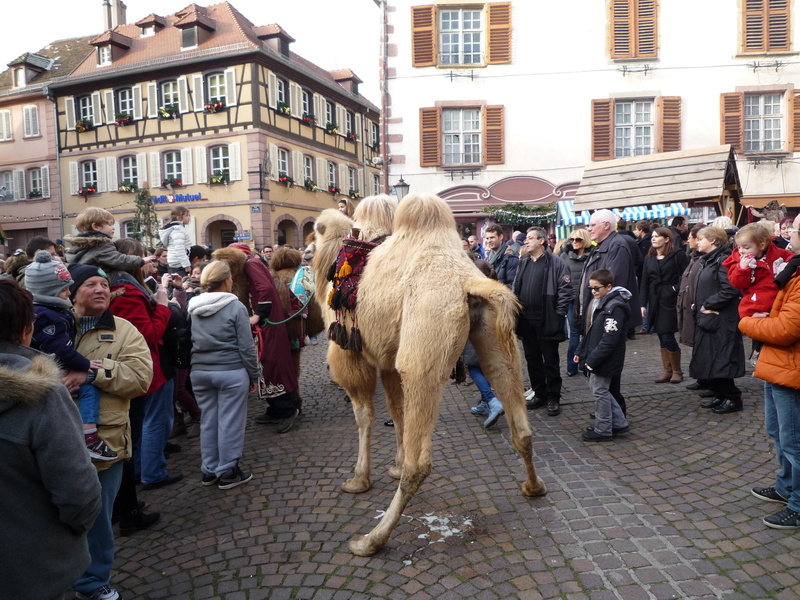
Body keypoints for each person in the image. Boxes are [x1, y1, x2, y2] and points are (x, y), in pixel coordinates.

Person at [0, 279, 102, 600]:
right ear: (26, 330)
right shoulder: (43, 394)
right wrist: (70, 533)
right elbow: (78, 492)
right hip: (32, 564)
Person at [65, 263, 153, 600]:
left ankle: (92, 581)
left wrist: (93, 373)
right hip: (55, 436)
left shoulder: (124, 330)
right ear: (72, 292)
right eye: (90, 284)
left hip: (105, 439)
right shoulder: (53, 326)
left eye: (104, 284)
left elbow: (141, 379)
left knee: (99, 515)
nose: (101, 289)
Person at [739, 214, 800, 530]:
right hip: (777, 363)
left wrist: (747, 322)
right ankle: (786, 486)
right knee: (778, 432)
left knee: (794, 441)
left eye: (793, 229)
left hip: (791, 367)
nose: (786, 233)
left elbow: (786, 329)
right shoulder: (793, 267)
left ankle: (798, 504)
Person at [25, 250, 117, 461]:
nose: (68, 293)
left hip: (49, 370)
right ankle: (89, 437)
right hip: (52, 371)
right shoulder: (49, 317)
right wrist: (84, 365)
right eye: (65, 290)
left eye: (104, 285)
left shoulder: (47, 312)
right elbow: (58, 348)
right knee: (89, 391)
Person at [107, 239, 179, 490]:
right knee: (156, 420)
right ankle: (152, 472)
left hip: (138, 365)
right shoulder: (127, 292)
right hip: (149, 366)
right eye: (143, 257)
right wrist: (163, 305)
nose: (148, 262)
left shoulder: (120, 286)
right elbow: (147, 335)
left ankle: (140, 469)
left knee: (143, 421)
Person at [187, 261, 259, 489]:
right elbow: (246, 347)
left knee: (209, 421)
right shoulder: (235, 306)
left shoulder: (192, 306)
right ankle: (228, 471)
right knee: (230, 422)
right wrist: (254, 375)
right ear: (228, 280)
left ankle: (209, 469)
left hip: (200, 371)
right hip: (230, 370)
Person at [213, 244, 299, 433]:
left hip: (268, 323)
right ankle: (275, 409)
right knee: (264, 365)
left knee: (273, 363)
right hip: (264, 324)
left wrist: (258, 315)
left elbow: (266, 289)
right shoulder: (248, 268)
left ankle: (287, 410)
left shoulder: (251, 265)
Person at [512, 227, 572, 417]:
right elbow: (516, 287)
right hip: (526, 320)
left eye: (530, 238)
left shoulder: (556, 262)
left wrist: (558, 315)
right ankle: (540, 394)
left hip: (547, 319)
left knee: (550, 360)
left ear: (542, 241)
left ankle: (553, 397)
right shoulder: (523, 261)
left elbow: (565, 290)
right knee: (532, 360)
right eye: (526, 238)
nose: (526, 241)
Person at [689, 227, 745, 414]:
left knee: (722, 358)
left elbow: (730, 289)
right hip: (710, 318)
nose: (697, 242)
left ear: (713, 241)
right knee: (712, 357)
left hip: (721, 319)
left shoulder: (722, 260)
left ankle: (732, 397)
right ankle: (720, 394)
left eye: (701, 239)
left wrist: (708, 303)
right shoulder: (709, 260)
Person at [574, 269, 630, 442]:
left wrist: (591, 360)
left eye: (596, 288)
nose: (593, 291)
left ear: (609, 287)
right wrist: (581, 351)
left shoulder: (613, 308)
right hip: (599, 355)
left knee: (600, 391)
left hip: (606, 358)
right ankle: (618, 423)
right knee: (600, 389)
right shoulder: (603, 303)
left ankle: (604, 429)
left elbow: (609, 340)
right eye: (591, 288)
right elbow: (591, 331)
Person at [578, 209, 643, 337]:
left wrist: (601, 314)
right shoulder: (601, 246)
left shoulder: (616, 246)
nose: (589, 229)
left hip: (605, 316)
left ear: (606, 225)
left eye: (592, 225)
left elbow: (613, 284)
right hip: (598, 313)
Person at [640, 227, 690, 384]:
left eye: (657, 236)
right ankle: (667, 370)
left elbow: (686, 275)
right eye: (652, 236)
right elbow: (644, 281)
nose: (653, 239)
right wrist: (642, 304)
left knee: (667, 334)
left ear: (667, 239)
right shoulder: (649, 257)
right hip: (655, 299)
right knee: (661, 334)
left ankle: (677, 371)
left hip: (670, 299)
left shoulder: (678, 255)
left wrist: (674, 289)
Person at [724, 222, 793, 319]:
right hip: (756, 302)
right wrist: (742, 269)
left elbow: (790, 256)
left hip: (779, 299)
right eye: (739, 247)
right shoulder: (738, 262)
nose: (741, 251)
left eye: (746, 247)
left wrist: (786, 265)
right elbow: (737, 283)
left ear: (761, 246)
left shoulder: (776, 252)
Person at [464, 260, 504, 423]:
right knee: (483, 368)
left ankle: (492, 401)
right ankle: (484, 403)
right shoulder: (495, 289)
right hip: (491, 336)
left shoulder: (475, 294)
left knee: (474, 369)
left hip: (477, 337)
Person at [677, 224, 710, 392]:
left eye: (691, 237)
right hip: (691, 306)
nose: (689, 241)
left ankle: (707, 379)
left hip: (700, 308)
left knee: (703, 346)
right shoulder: (694, 257)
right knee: (697, 345)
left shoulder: (704, 259)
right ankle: (701, 377)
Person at [559, 228, 592, 376]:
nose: (574, 242)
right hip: (572, 300)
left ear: (585, 240)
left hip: (588, 298)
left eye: (578, 239)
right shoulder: (565, 256)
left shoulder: (593, 255)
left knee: (588, 331)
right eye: (572, 239)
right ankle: (571, 367)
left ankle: (587, 364)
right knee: (574, 333)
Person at [158, 205, 192, 276]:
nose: (189, 217)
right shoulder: (178, 229)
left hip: (174, 261)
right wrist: (186, 265)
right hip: (179, 263)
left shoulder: (174, 228)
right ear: (179, 218)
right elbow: (179, 248)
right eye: (187, 215)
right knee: (181, 282)